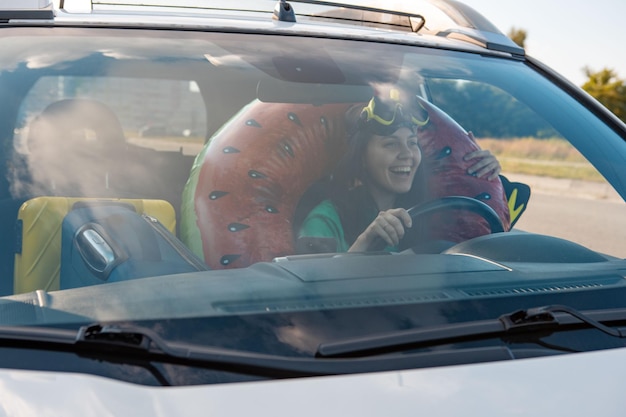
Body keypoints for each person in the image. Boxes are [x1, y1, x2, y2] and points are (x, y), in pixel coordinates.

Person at [296, 88, 501, 253]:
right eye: (390, 145)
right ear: (362, 157)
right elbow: (313, 293)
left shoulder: (435, 212)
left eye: (412, 143)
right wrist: (365, 242)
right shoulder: (325, 220)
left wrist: (488, 177)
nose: (407, 155)